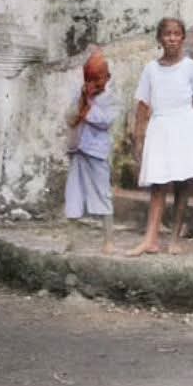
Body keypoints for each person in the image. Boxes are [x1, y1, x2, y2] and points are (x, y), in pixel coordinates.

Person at [127, 17, 193, 257]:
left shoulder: (191, 67)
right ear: (159, 39)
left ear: (183, 38)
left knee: (183, 184)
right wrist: (139, 136)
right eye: (167, 34)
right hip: (161, 127)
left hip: (185, 126)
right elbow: (143, 104)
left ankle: (174, 238)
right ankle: (150, 239)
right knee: (158, 184)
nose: (172, 38)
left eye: (177, 34)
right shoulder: (151, 69)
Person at [64, 48, 118, 253]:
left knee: (102, 193)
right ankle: (72, 239)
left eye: (99, 78)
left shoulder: (111, 98)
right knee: (73, 193)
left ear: (108, 77)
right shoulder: (79, 93)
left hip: (97, 152)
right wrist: (82, 100)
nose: (95, 83)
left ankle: (108, 240)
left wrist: (89, 104)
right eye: (90, 79)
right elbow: (70, 118)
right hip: (78, 150)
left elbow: (104, 121)